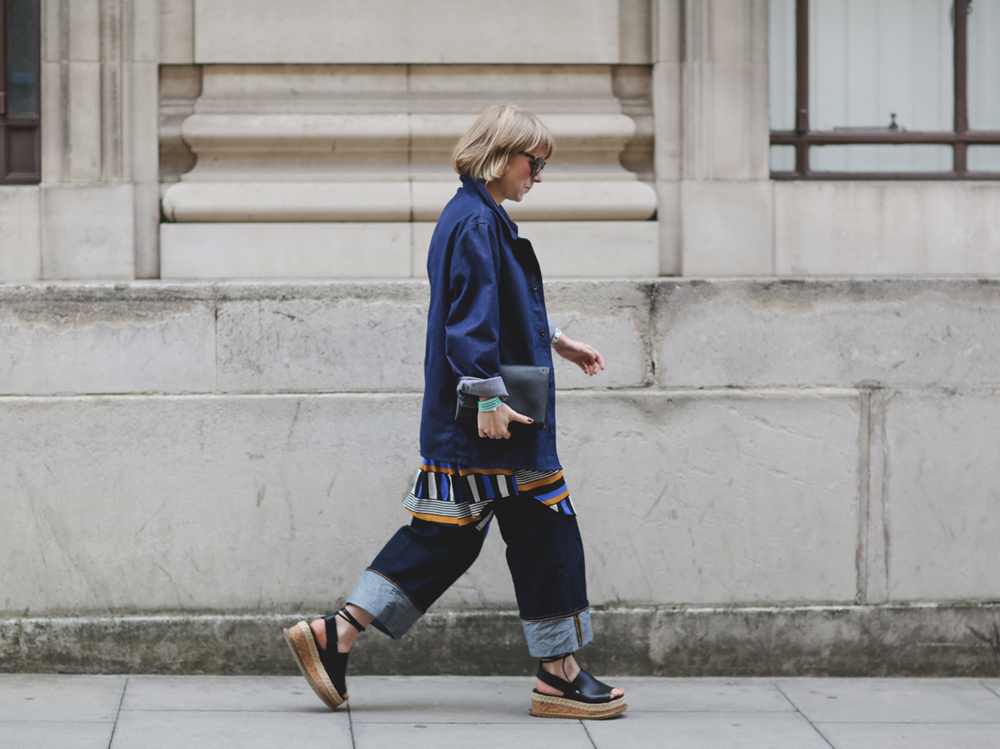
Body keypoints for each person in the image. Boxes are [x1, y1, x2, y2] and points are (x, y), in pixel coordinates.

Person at [284, 103, 626, 720]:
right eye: (533, 161)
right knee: (545, 528)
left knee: (448, 535)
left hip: (489, 412)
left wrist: (556, 341)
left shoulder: (476, 215)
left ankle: (339, 632)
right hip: (495, 418)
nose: (539, 175)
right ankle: (558, 674)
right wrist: (488, 397)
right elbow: (467, 324)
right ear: (499, 155)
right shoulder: (474, 221)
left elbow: (500, 306)